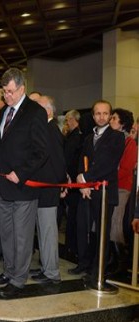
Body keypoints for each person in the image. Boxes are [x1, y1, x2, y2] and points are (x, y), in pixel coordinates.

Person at [0, 68, 48, 298]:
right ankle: (9, 271)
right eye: (4, 92)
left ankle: (18, 281)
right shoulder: (4, 111)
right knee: (7, 234)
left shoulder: (35, 112)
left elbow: (41, 152)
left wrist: (20, 173)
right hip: (4, 186)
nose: (6, 96)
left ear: (22, 89)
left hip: (23, 187)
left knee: (22, 237)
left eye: (10, 92)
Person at [69, 100, 124, 278]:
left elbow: (108, 164)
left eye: (105, 113)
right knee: (82, 227)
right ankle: (83, 263)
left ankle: (98, 268)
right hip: (87, 191)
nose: (101, 117)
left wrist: (86, 178)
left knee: (101, 232)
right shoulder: (88, 137)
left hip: (104, 193)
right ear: (93, 116)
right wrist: (82, 183)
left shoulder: (116, 137)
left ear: (109, 115)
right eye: (98, 113)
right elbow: (81, 160)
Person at [30, 95, 66, 284]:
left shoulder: (51, 130)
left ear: (49, 111)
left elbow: (59, 162)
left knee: (49, 233)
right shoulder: (46, 128)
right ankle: (46, 268)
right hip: (42, 190)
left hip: (48, 191)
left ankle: (52, 273)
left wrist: (59, 184)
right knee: (43, 233)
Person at [108, 108, 137, 274]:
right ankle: (112, 257)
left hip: (121, 187)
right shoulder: (113, 139)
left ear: (122, 123)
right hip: (111, 185)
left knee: (116, 222)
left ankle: (121, 260)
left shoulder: (129, 143)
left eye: (114, 118)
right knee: (109, 222)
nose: (111, 120)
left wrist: (109, 177)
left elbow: (126, 168)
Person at [63, 109, 82, 257]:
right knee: (70, 216)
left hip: (73, 182)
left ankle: (71, 246)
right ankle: (70, 245)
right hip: (70, 180)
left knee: (73, 216)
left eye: (68, 119)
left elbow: (69, 158)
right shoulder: (71, 136)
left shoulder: (77, 137)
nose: (67, 122)